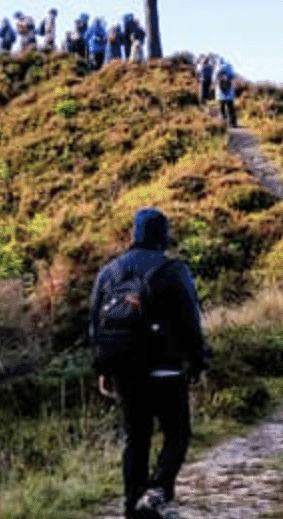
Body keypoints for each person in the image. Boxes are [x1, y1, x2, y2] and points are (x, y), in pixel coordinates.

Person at [90, 207, 211, 519]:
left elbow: (95, 322)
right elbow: (190, 319)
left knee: (136, 437)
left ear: (135, 233)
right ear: (163, 235)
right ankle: (156, 491)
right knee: (177, 432)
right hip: (166, 367)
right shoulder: (173, 270)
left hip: (125, 370)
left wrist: (103, 368)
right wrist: (198, 361)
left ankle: (133, 507)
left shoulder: (109, 271)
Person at [214, 58, 238, 128]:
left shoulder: (217, 67)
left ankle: (223, 123)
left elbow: (214, 79)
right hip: (229, 90)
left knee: (222, 108)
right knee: (231, 108)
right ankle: (233, 123)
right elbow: (233, 77)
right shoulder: (229, 67)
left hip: (220, 91)